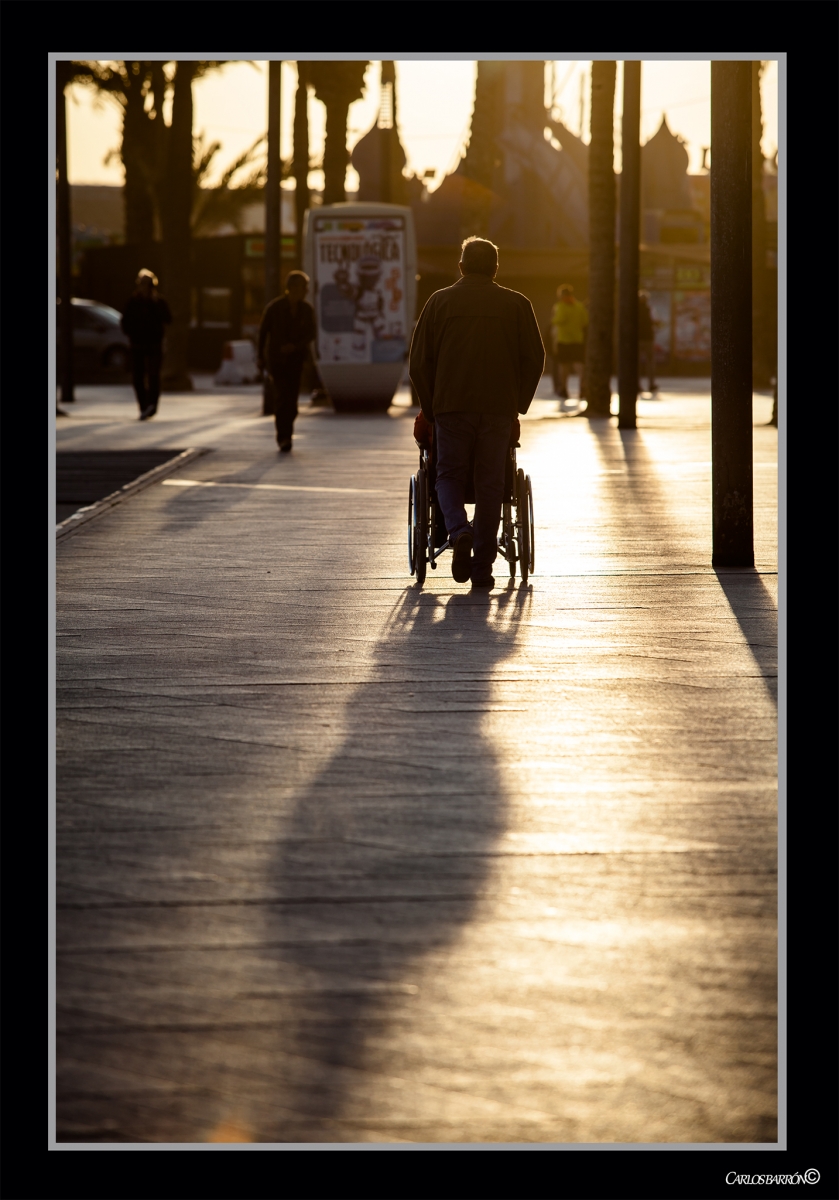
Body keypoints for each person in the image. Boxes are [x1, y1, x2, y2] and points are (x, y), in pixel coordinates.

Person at [409, 236, 544, 589]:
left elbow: (419, 363)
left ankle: (458, 530)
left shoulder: (439, 302)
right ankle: (482, 567)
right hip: (498, 408)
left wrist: (430, 406)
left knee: (448, 475)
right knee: (491, 484)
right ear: (496, 268)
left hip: (452, 406)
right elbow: (535, 358)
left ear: (461, 266)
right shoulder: (517, 304)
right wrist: (518, 403)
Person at [257, 271, 316, 452]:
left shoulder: (306, 310)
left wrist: (296, 346)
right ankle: (284, 437)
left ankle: (286, 430)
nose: (305, 291)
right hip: (277, 360)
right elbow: (262, 333)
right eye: (302, 287)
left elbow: (311, 333)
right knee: (282, 397)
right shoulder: (274, 308)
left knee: (292, 401)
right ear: (292, 288)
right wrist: (261, 356)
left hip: (296, 360)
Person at [120, 270, 172, 420]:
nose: (144, 288)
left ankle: (152, 405)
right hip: (137, 344)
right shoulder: (133, 302)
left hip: (154, 344)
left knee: (154, 375)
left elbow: (168, 319)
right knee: (138, 377)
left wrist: (156, 305)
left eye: (147, 285)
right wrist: (131, 333)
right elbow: (125, 320)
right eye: (142, 284)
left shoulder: (159, 302)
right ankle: (143, 406)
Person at [549, 284, 588, 404]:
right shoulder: (579, 306)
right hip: (577, 340)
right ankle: (582, 387)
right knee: (579, 365)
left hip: (564, 340)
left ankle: (564, 389)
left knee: (564, 366)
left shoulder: (560, 306)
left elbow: (557, 320)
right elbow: (585, 322)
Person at [638, 291, 658, 395]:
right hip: (648, 338)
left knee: (637, 363)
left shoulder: (634, 311)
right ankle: (651, 384)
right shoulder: (650, 309)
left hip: (637, 339)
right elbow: (655, 321)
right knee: (650, 362)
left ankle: (637, 384)